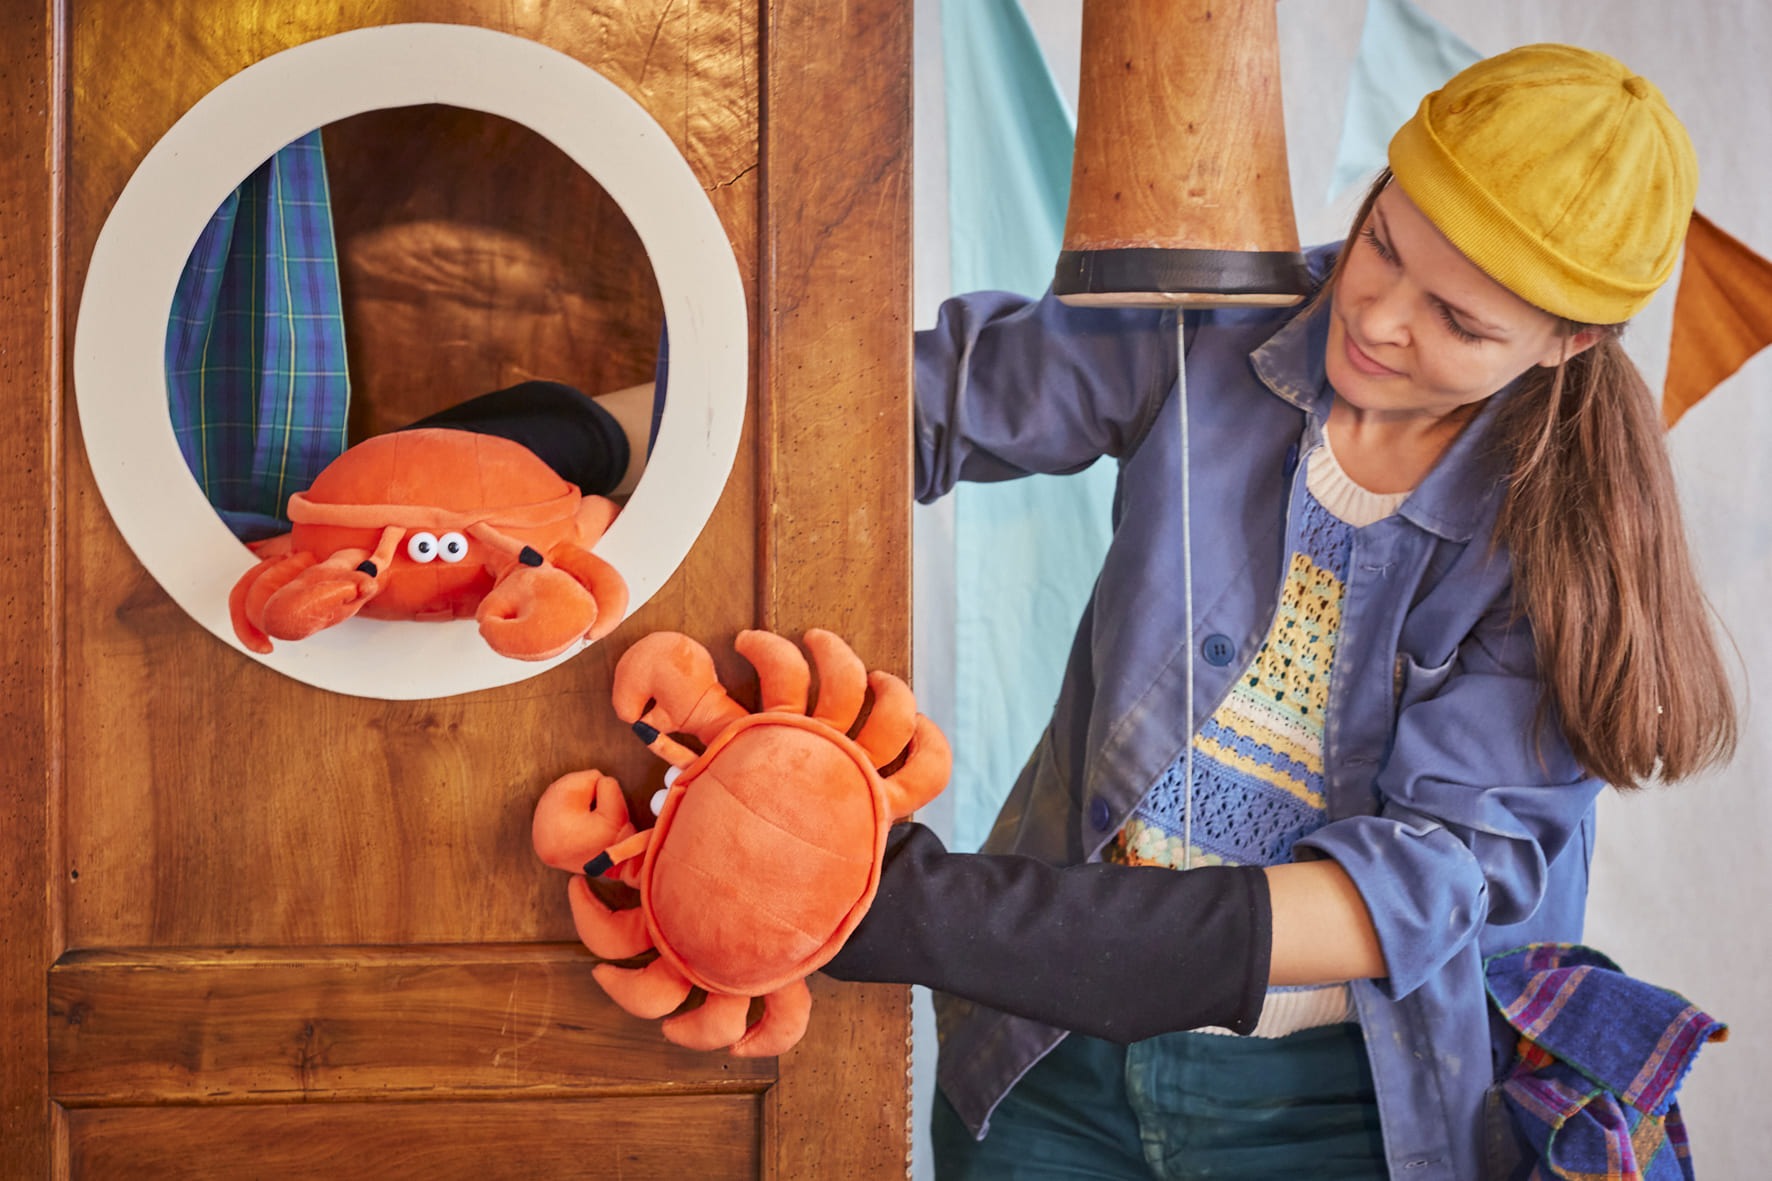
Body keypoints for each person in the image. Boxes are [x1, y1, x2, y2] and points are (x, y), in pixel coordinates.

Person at [821, 43, 1739, 1180]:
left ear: (1569, 341)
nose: (1376, 316)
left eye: (1457, 321)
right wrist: (617, 446)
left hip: (1343, 1110)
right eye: (1382, 242)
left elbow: (1389, 900)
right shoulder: (1206, 319)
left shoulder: (1567, 549)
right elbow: (871, 409)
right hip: (1046, 1057)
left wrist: (926, 913)